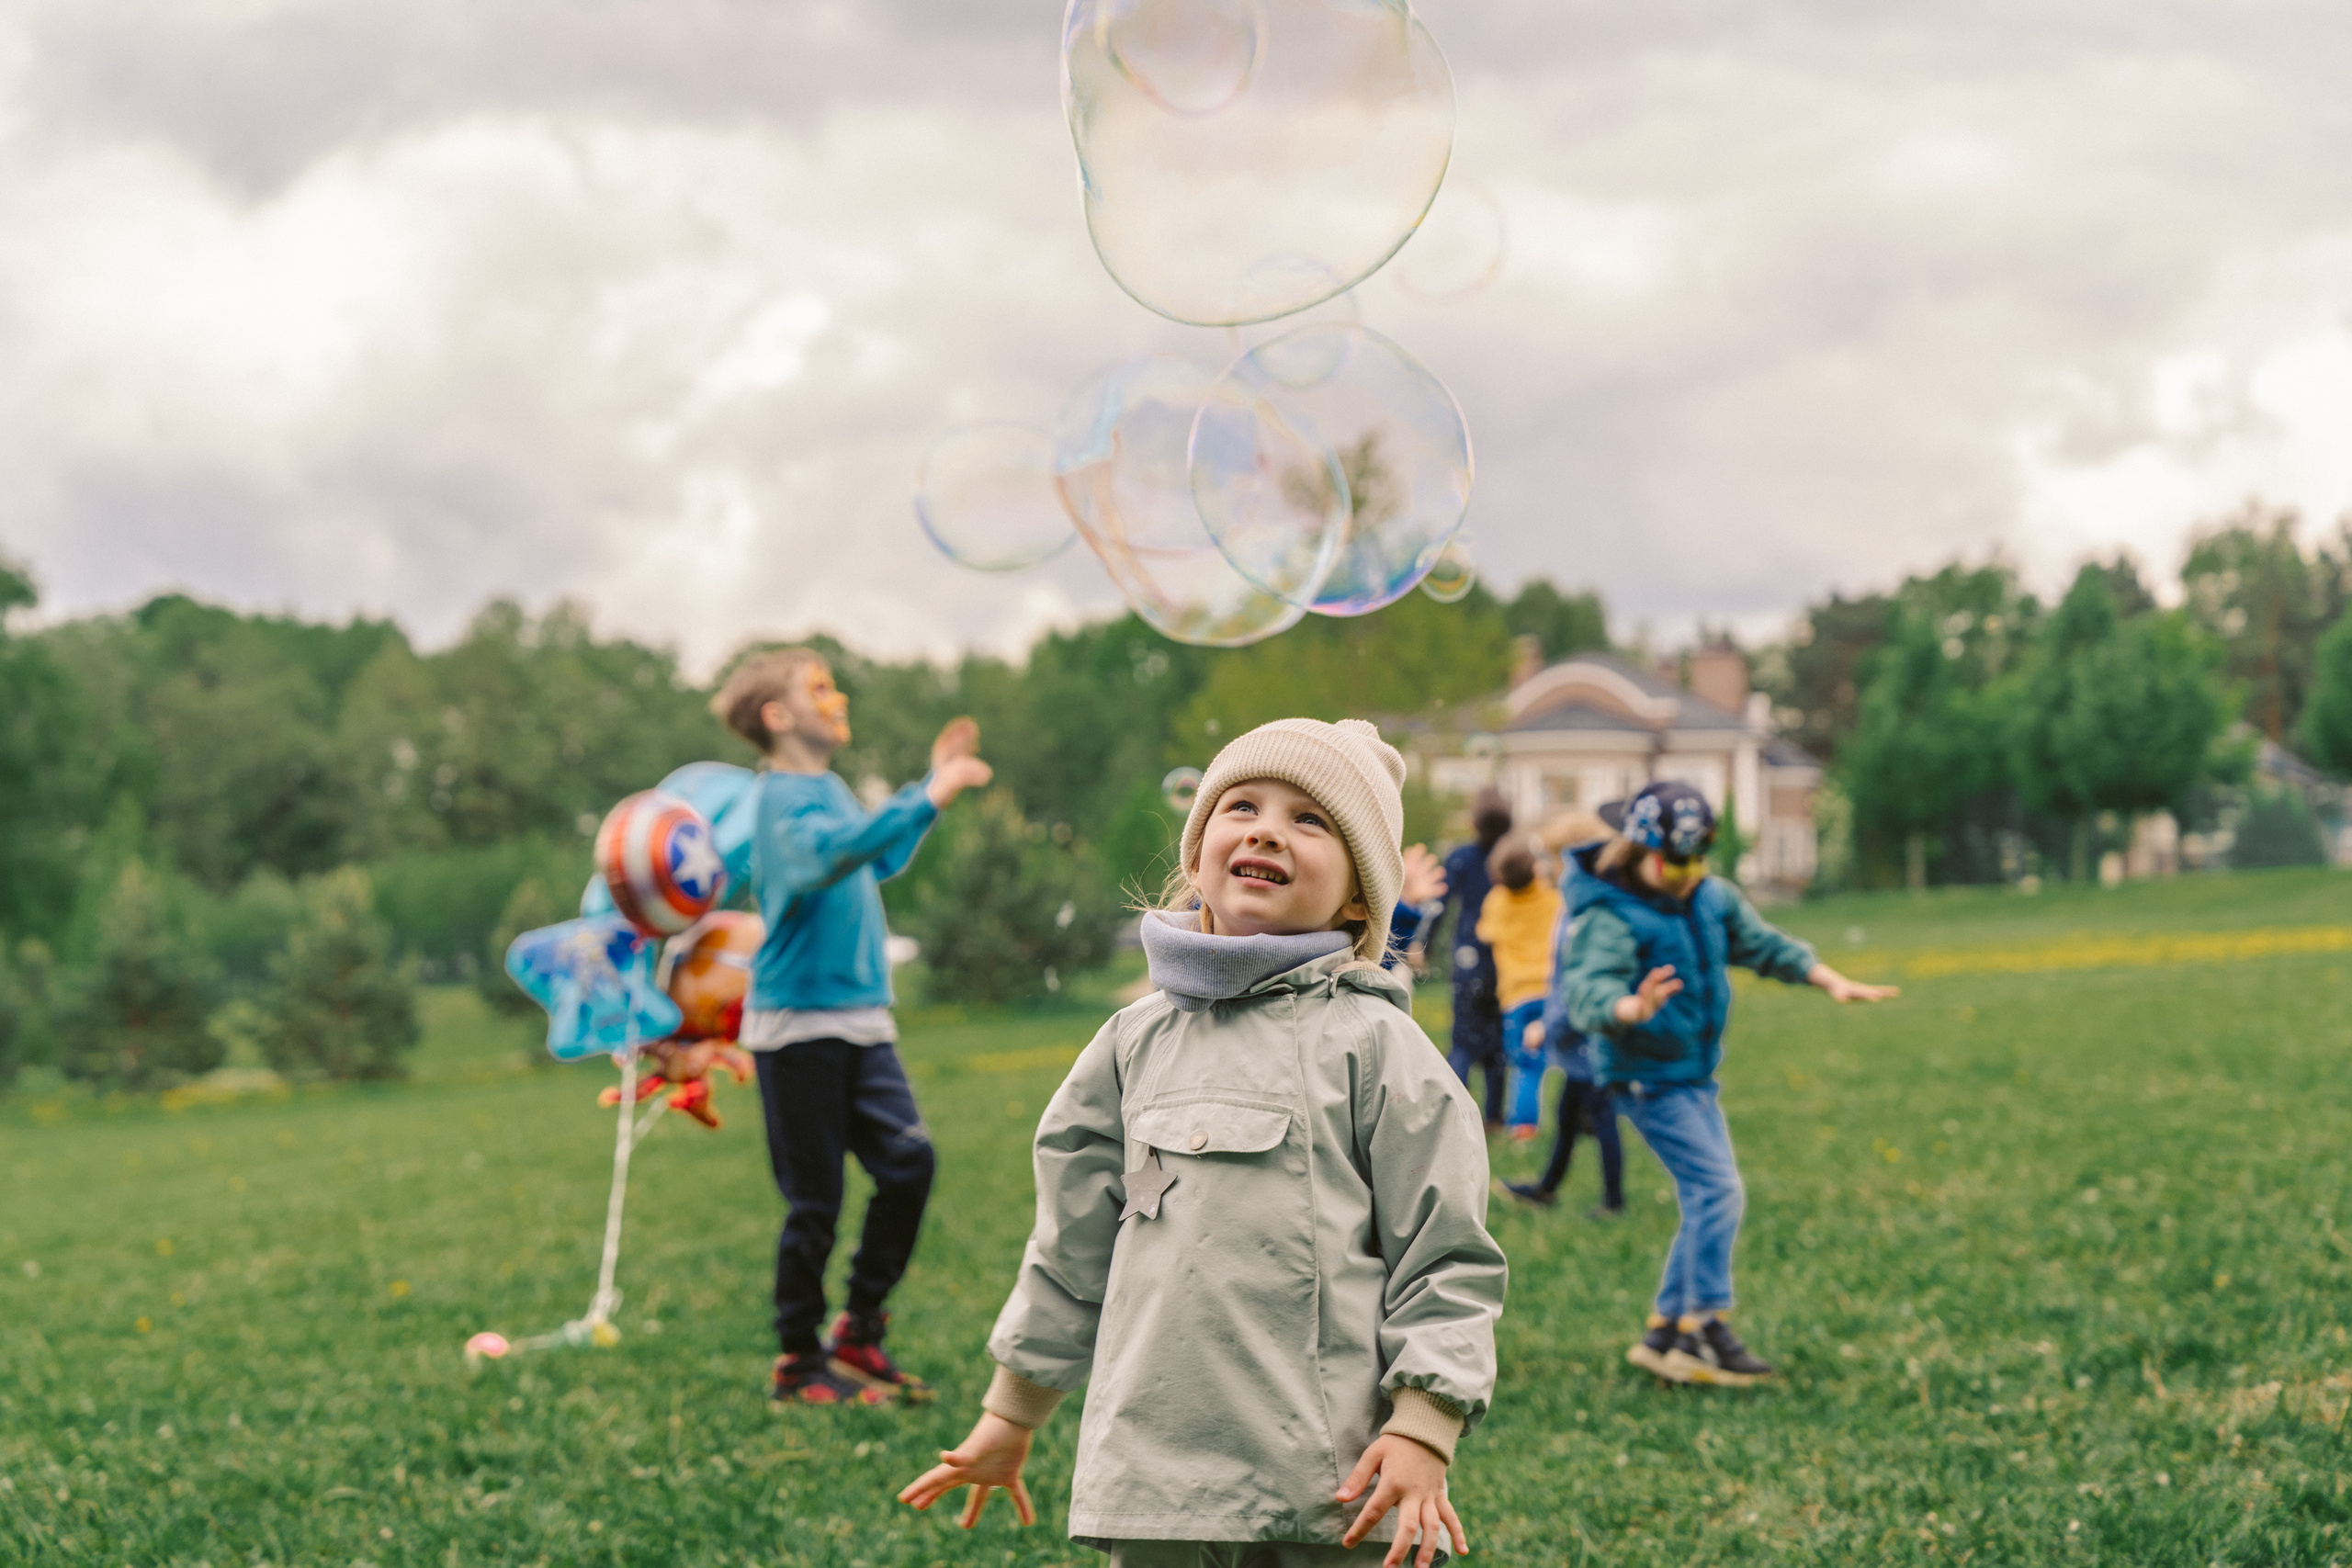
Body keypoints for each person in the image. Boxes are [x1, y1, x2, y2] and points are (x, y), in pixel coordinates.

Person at [899, 717, 1506, 1568]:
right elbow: (1071, 1245)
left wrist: (1425, 1426)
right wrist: (1012, 1411)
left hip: (1338, 1480)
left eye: (1311, 820)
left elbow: (1446, 1255)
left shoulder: (1375, 1043)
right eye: (1242, 805)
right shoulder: (1130, 1040)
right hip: (1158, 1484)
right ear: (1197, 853)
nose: (1265, 827)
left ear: (1362, 896)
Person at [709, 648, 993, 1406]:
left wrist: (927, 796)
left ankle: (859, 1329)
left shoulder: (829, 788)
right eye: (820, 689)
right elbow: (827, 857)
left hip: (864, 1019)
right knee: (817, 1202)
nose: (837, 698)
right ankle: (798, 1360)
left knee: (910, 1164)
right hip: (797, 1026)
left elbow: (879, 853)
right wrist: (927, 789)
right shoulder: (777, 800)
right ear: (778, 716)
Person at [1559, 781, 1896, 1387]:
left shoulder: (1710, 897)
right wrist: (1631, 1007)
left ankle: (1665, 1330)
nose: (1688, 873)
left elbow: (1762, 945)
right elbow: (1585, 993)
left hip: (1691, 1073)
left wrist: (1828, 979)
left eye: (1698, 860)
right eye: (1675, 860)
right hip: (1644, 1076)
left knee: (1706, 1193)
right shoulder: (1610, 914)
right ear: (1639, 849)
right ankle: (1702, 1327)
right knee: (1718, 1190)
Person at [1498, 815, 1623, 1214]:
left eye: (1547, 859)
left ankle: (1613, 1202)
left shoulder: (1586, 913)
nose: (1540, 868)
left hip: (1593, 1037)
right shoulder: (1572, 906)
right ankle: (1548, 1187)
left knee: (1601, 1117)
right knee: (1570, 1113)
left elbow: (1576, 985)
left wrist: (1547, 1026)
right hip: (1580, 1040)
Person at [1474, 835, 1562, 1142]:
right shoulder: (1550, 897)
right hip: (1549, 991)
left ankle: (1523, 1125)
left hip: (1516, 996)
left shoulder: (1497, 901)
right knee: (1553, 1059)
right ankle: (1579, 1118)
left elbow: (1484, 932)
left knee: (1524, 1063)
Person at [1436, 788, 1513, 1129]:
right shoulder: (1513, 858)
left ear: (1474, 822)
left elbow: (1440, 903)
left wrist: (1420, 943)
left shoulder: (1462, 856)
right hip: (1505, 958)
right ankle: (1494, 1118)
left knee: (1463, 1038)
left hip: (1469, 954)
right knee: (1497, 1043)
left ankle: (1458, 1114)